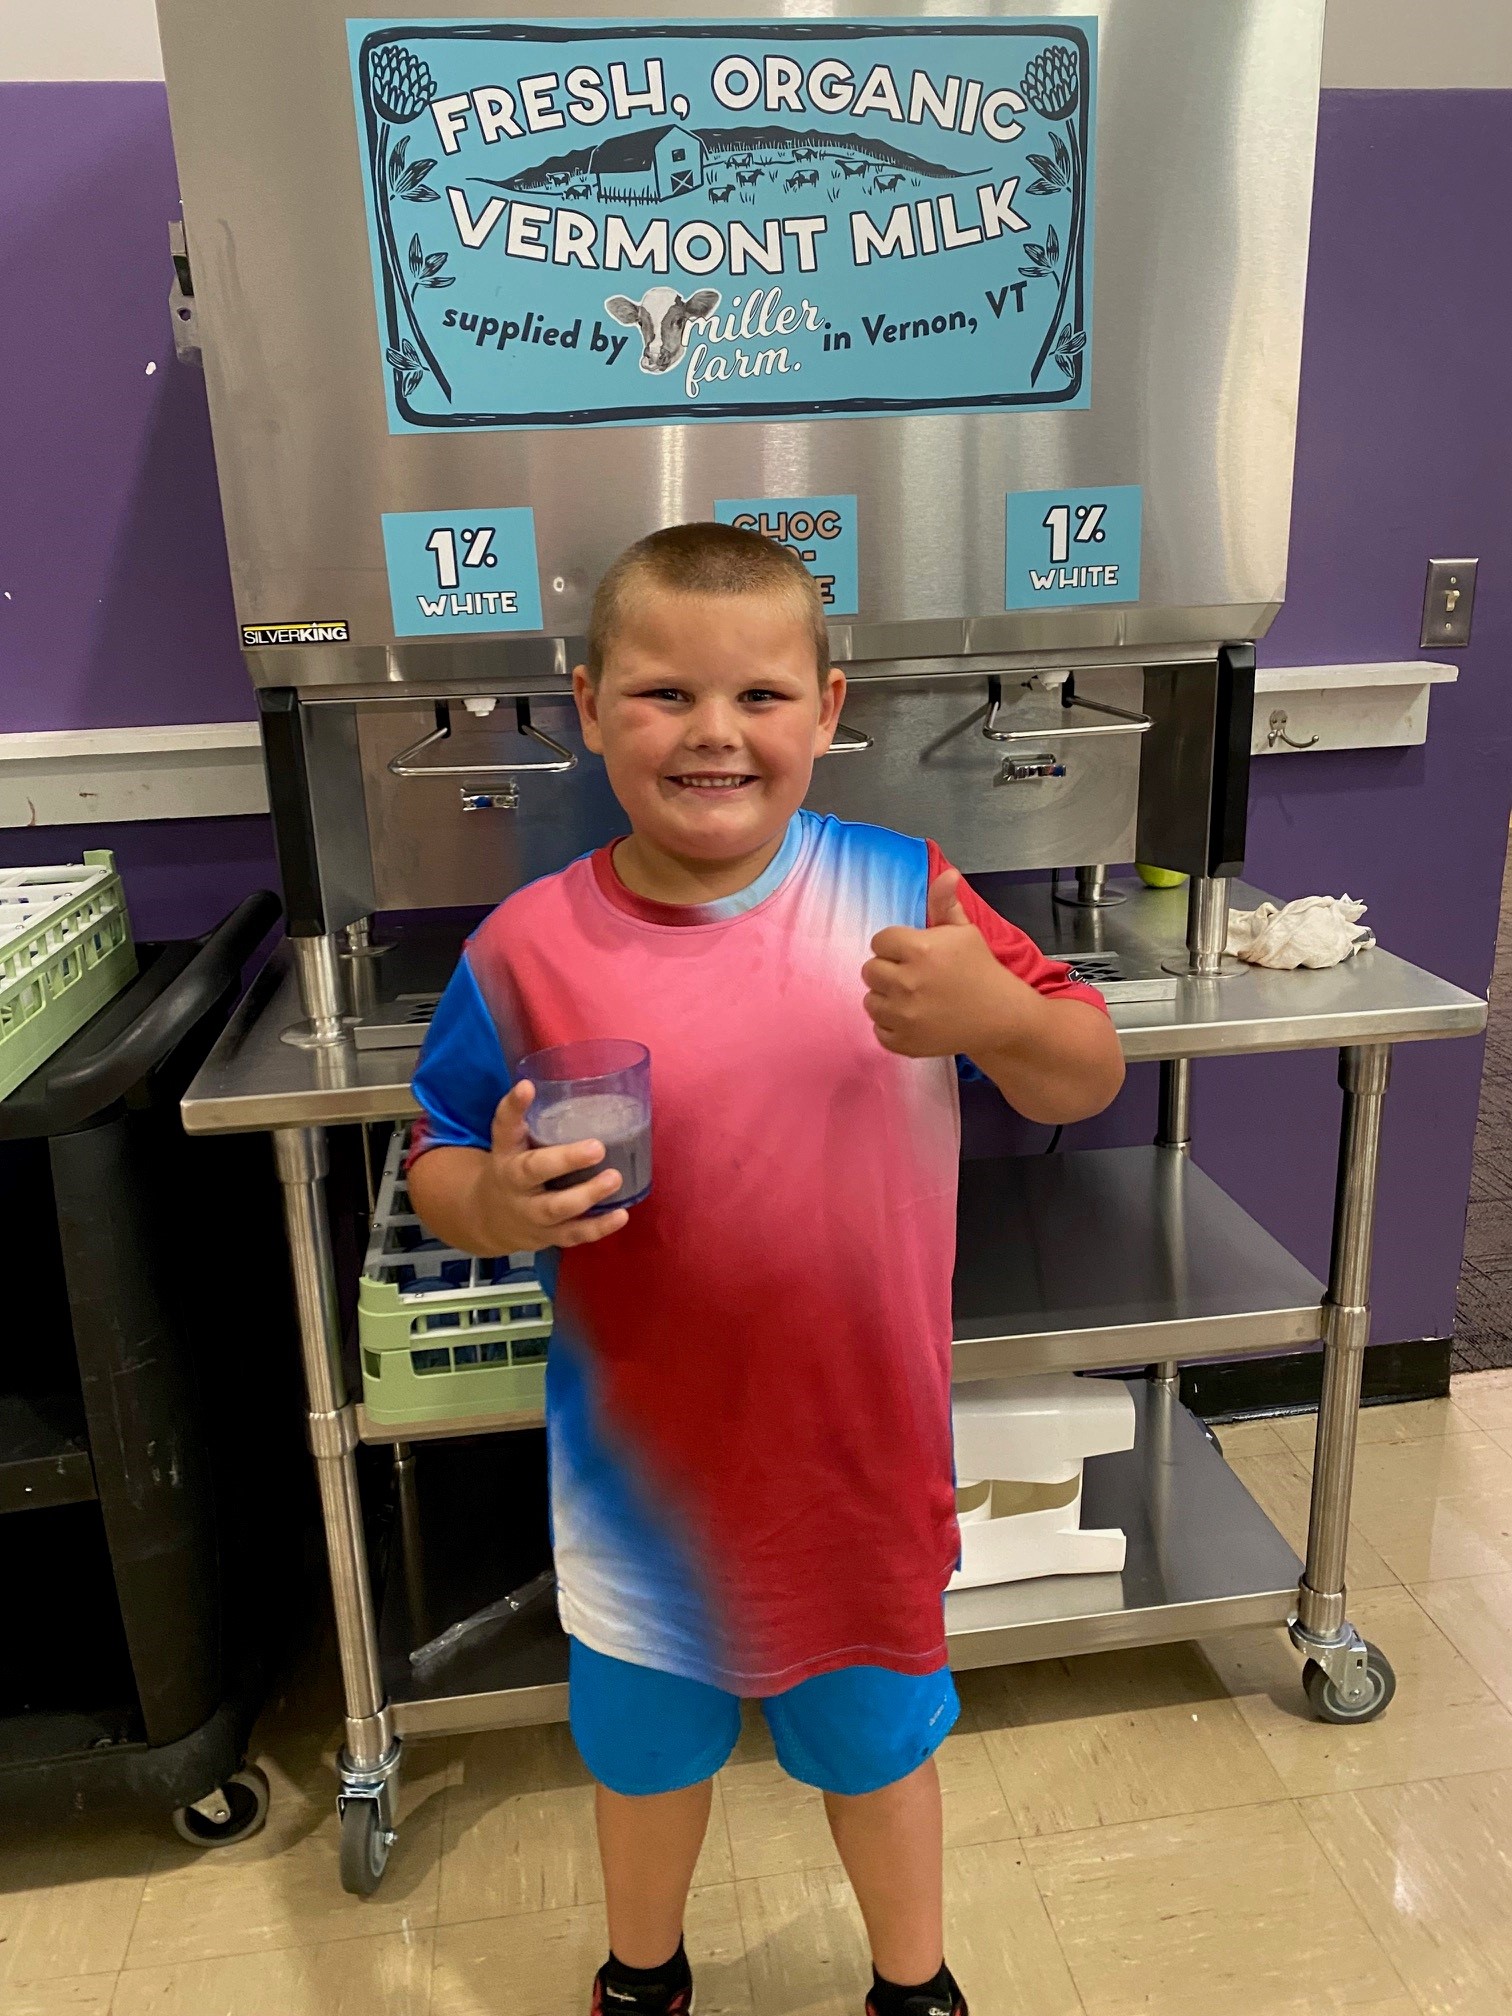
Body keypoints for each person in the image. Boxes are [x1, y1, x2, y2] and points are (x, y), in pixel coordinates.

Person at [406, 522, 1125, 2016]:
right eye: (665, 695)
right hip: (641, 1486)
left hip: (856, 1463)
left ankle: (914, 1986)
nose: (714, 734)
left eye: (761, 697)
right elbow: (437, 1164)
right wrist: (503, 1201)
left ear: (830, 707)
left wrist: (995, 1010)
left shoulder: (904, 894)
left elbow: (1082, 1079)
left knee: (881, 1745)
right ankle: (641, 1977)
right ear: (591, 705)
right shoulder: (525, 949)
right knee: (646, 1757)